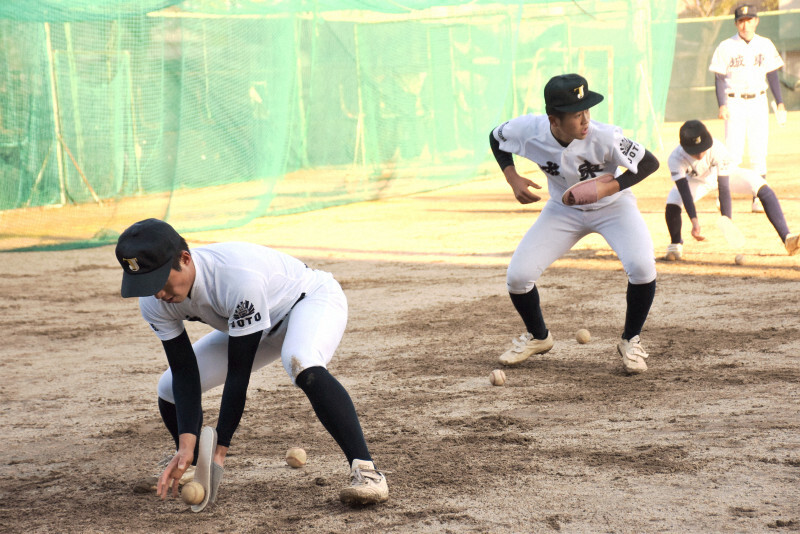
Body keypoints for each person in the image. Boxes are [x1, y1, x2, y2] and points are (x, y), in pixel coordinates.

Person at [115, 218, 388, 508]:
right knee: (168, 386)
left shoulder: (235, 276)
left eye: (160, 281)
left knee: (302, 362)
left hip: (309, 303)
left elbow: (238, 374)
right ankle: (189, 464)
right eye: (145, 284)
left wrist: (220, 451)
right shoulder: (154, 301)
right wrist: (186, 444)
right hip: (251, 326)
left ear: (184, 259)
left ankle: (367, 472)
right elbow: (185, 371)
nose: (158, 293)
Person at [488, 73, 660, 375]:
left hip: (614, 207)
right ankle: (538, 337)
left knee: (643, 267)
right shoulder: (529, 130)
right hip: (562, 210)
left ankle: (630, 340)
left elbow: (649, 163)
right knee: (518, 277)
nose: (585, 120)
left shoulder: (605, 136)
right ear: (554, 120)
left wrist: (611, 187)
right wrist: (511, 177)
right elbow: (496, 137)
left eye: (587, 111)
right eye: (576, 114)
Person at [663, 119, 798, 259]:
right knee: (673, 200)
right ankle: (675, 245)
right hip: (696, 181)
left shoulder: (717, 148)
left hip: (726, 176)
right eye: (695, 151)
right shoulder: (675, 158)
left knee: (759, 184)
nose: (700, 154)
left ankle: (787, 239)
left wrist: (727, 221)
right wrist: (694, 220)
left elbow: (723, 186)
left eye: (702, 148)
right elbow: (684, 192)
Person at [708, 4, 786, 213]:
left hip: (759, 101)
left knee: (758, 151)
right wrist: (722, 104)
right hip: (734, 102)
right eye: (741, 21)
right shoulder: (725, 46)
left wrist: (779, 102)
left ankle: (758, 199)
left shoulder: (766, 44)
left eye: (749, 20)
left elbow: (772, 75)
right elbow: (719, 78)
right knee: (732, 152)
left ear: (756, 21)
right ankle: (724, 195)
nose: (745, 24)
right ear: (736, 24)